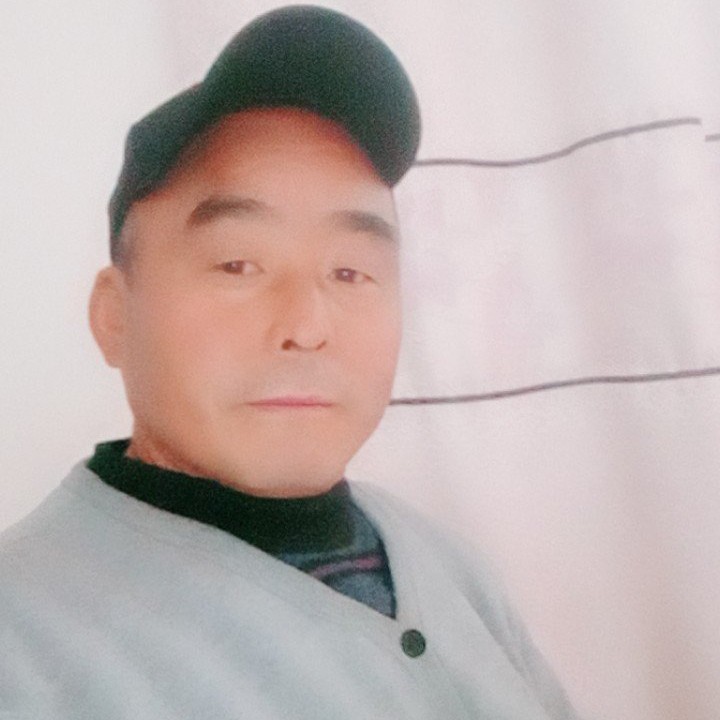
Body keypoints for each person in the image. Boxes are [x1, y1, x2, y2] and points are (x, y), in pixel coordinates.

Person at [0, 6, 579, 719]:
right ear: (114, 316)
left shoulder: (445, 563)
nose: (306, 327)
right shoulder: (23, 642)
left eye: (349, 272)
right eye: (239, 264)